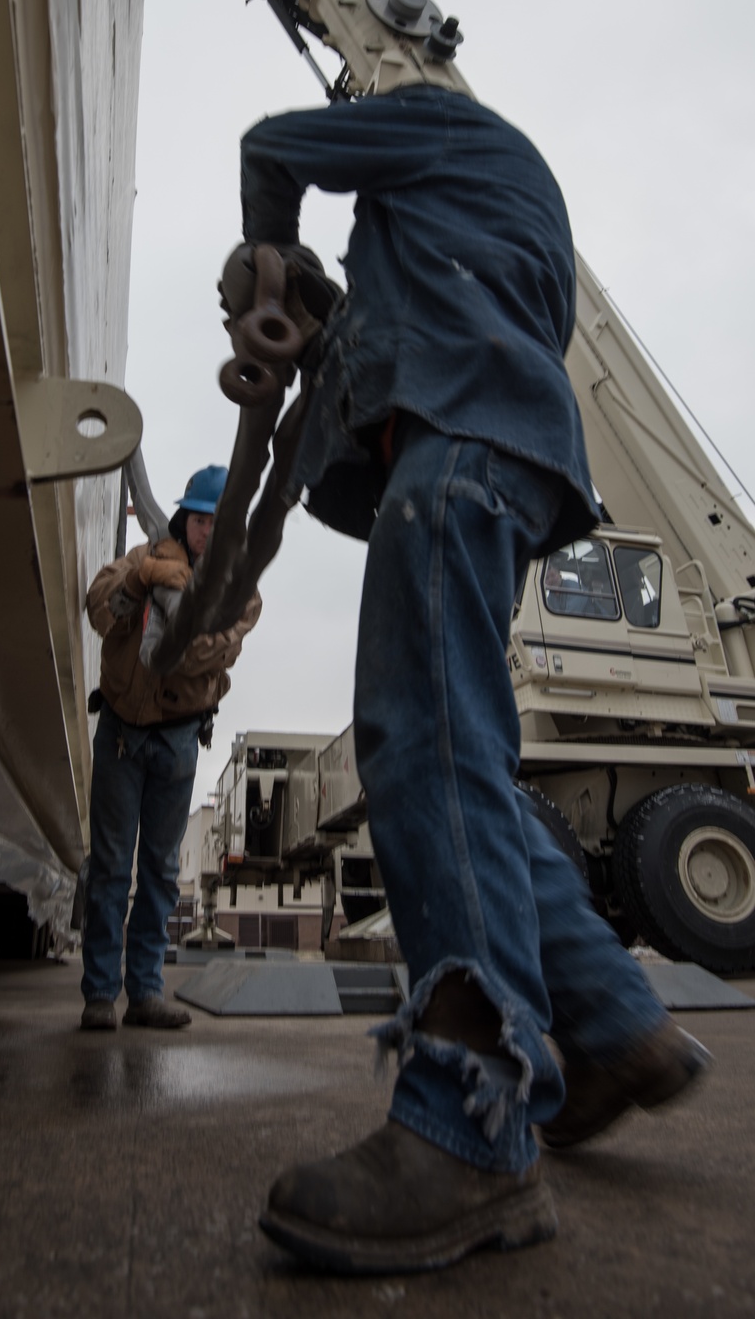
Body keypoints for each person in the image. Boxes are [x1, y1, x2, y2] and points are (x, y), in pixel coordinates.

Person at [238, 83, 710, 1271]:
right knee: (467, 762)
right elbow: (411, 319)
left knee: (420, 744)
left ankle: (468, 1127)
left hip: (453, 451)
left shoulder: (437, 124)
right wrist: (330, 309)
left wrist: (271, 261)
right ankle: (613, 1019)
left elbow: (274, 143)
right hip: (503, 456)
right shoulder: (502, 212)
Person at [79, 466, 261, 1031]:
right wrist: (137, 586)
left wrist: (178, 597)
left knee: (158, 870)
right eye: (200, 519)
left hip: (179, 739)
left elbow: (202, 652)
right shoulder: (142, 558)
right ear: (185, 518)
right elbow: (98, 610)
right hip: (120, 734)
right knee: (110, 867)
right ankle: (100, 997)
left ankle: (146, 993)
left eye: (218, 521)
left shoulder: (241, 591)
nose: (207, 530)